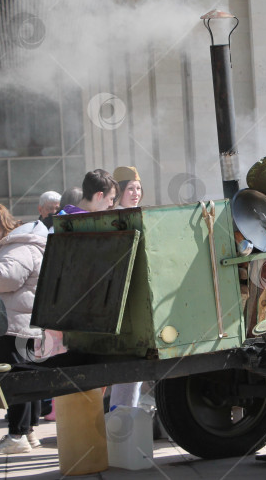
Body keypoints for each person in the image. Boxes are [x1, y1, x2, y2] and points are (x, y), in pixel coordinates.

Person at [0, 204, 48, 455]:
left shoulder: (19, 245)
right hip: (22, 322)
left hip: (16, 325)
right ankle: (27, 432)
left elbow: (7, 278)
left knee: (16, 380)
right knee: (26, 378)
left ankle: (16, 434)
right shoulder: (21, 242)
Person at [109, 166, 145, 410]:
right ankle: (122, 415)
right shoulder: (118, 219)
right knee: (129, 368)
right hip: (127, 299)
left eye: (139, 188)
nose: (136, 193)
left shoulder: (137, 214)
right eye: (130, 188)